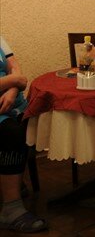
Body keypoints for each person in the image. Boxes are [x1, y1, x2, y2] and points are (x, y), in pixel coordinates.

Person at [0, 37, 47, 233]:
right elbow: (17, 77)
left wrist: (13, 89)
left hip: (13, 103)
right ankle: (10, 209)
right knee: (12, 134)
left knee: (40, 120)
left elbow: (14, 66)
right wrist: (14, 81)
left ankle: (11, 181)